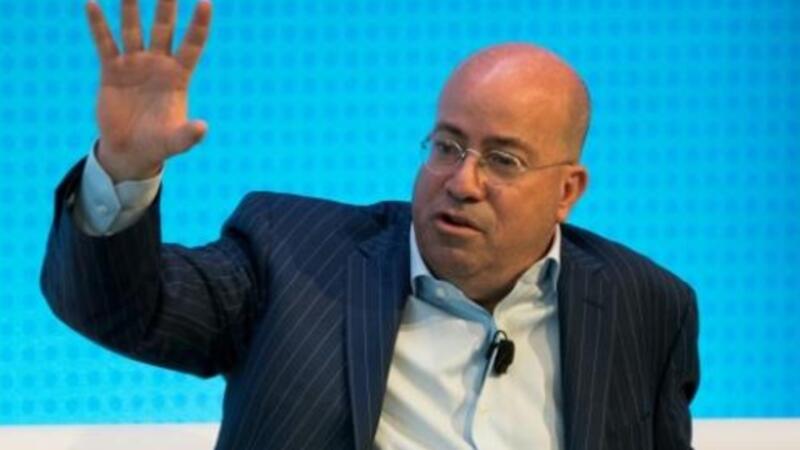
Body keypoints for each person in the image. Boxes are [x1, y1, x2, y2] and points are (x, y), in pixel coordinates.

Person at [40, 1, 700, 449]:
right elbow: (123, 309)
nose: (462, 181)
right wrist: (124, 166)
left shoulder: (646, 306)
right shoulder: (291, 255)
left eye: (503, 160)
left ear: (567, 191)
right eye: (448, 146)